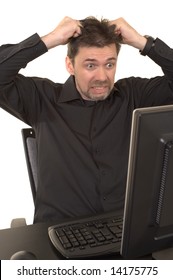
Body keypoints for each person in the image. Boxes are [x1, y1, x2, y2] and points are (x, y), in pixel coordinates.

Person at [0, 16, 173, 224]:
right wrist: (50, 39)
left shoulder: (134, 95)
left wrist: (145, 43)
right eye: (90, 66)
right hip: (58, 233)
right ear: (70, 65)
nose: (102, 76)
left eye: (109, 64)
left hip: (124, 229)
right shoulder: (42, 99)